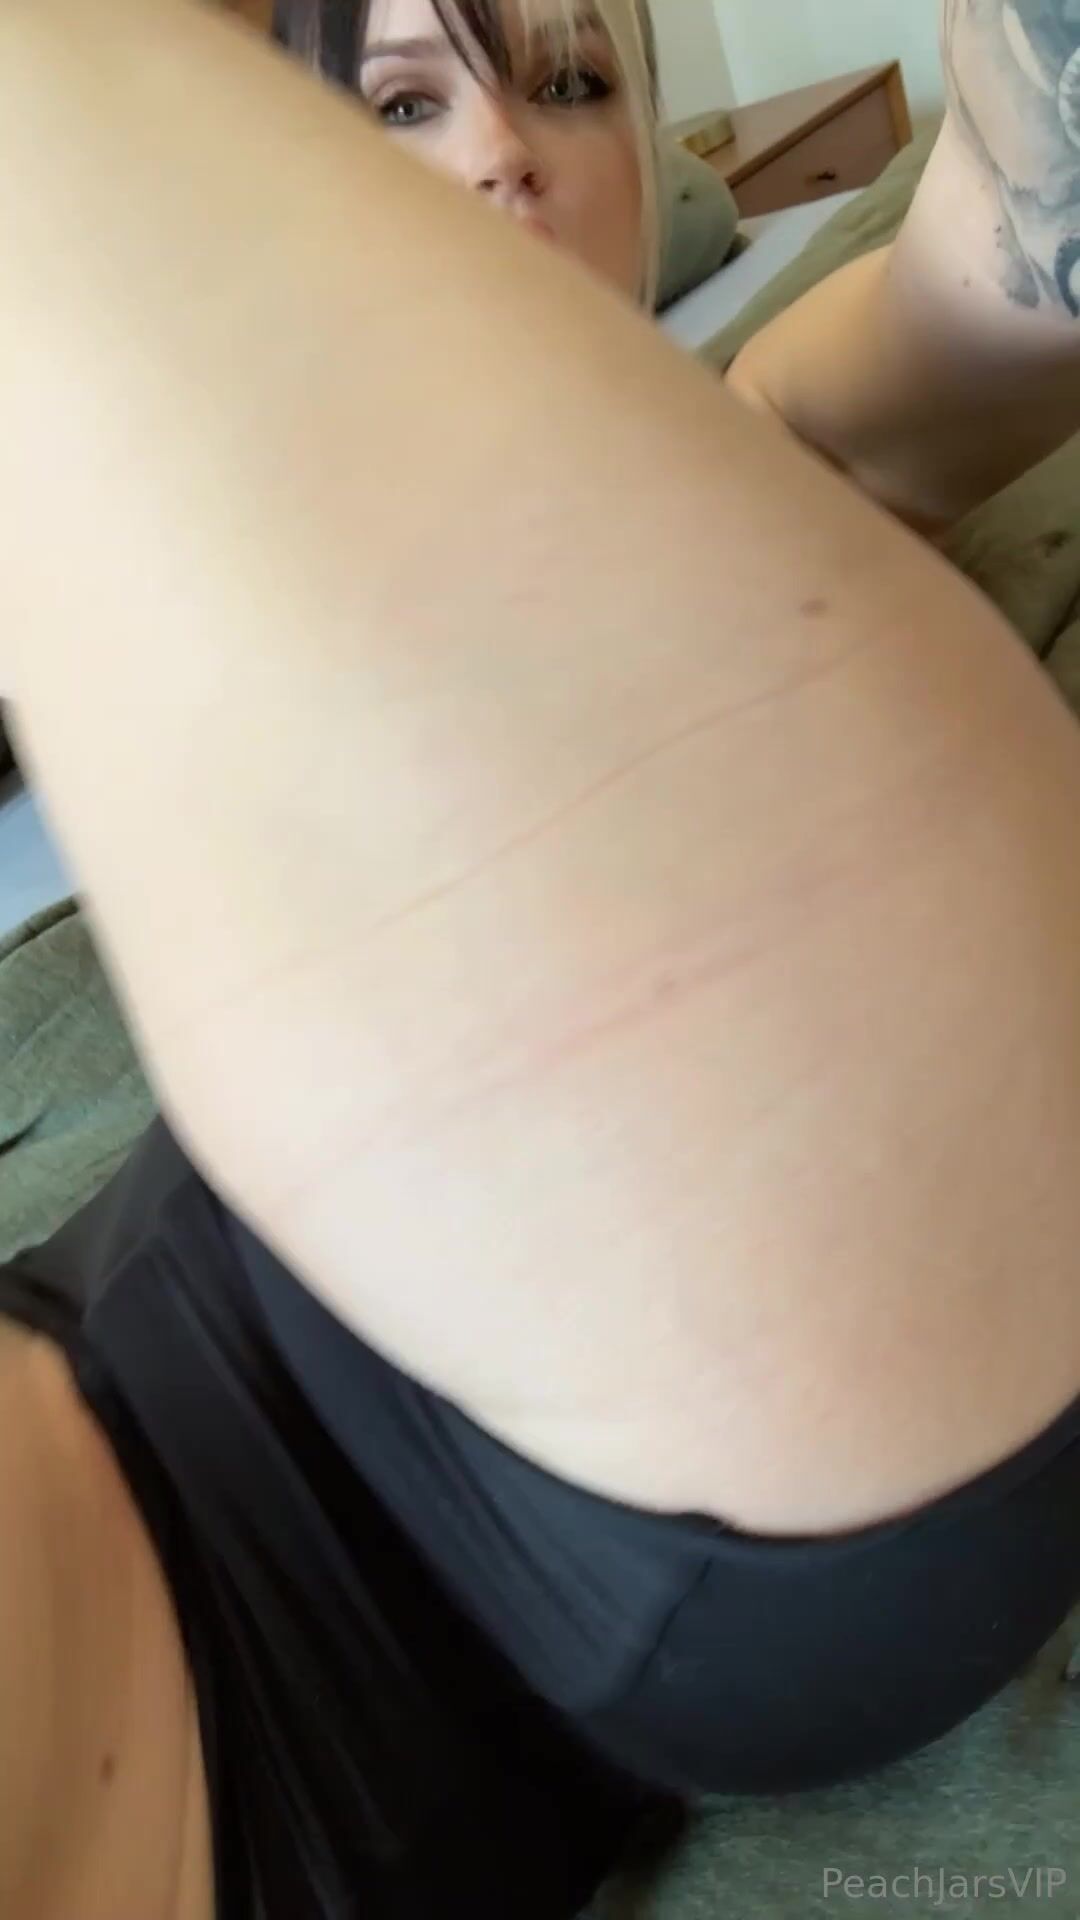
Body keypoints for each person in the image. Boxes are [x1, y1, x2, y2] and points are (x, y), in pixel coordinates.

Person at [3, 1, 1080, 1917]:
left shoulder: (735, 424)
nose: (506, 148)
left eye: (571, 87)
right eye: (398, 105)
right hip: (460, 1572)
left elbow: (984, 287)